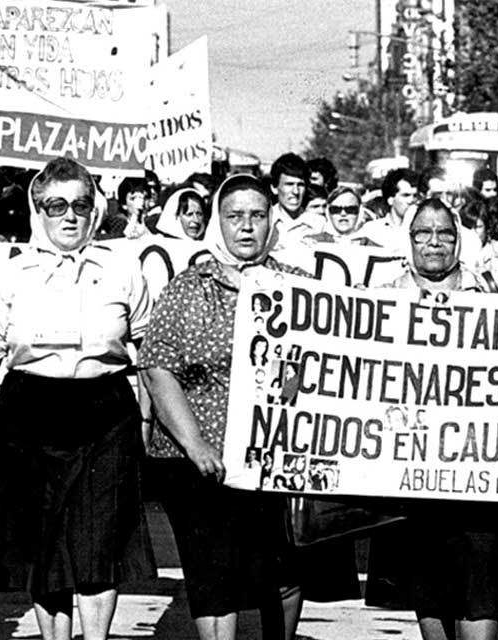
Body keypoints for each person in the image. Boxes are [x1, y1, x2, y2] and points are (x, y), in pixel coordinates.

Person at [139, 173, 357, 640]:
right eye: (234, 216)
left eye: (257, 216)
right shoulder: (188, 288)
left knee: (284, 568)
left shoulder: (301, 288)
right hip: (199, 463)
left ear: (271, 221)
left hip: (275, 461)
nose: (246, 226)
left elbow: (329, 364)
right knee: (213, 574)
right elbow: (158, 368)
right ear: (218, 222)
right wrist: (196, 445)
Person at [0, 156, 156, 640]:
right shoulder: (8, 276)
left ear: (95, 211)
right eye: (56, 205)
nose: (69, 216)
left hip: (106, 411)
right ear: (37, 210)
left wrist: (150, 426)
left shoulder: (122, 268)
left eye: (80, 204)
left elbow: (152, 354)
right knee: (43, 547)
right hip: (31, 410)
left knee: (99, 545)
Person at [366, 198, 498, 640]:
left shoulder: (491, 295)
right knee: (427, 588)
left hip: (481, 472)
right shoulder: (382, 299)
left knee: (482, 586)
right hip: (410, 473)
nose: (434, 243)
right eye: (422, 233)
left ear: (458, 239)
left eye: (445, 233)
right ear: (408, 240)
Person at [358, 168, 419, 249]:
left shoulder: (425, 230)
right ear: (390, 200)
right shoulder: (372, 229)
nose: (411, 201)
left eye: (415, 196)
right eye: (406, 195)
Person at [303, 186, 379, 246]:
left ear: (360, 212)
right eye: (336, 209)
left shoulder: (374, 248)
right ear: (328, 212)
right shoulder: (312, 242)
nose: (343, 214)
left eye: (350, 209)